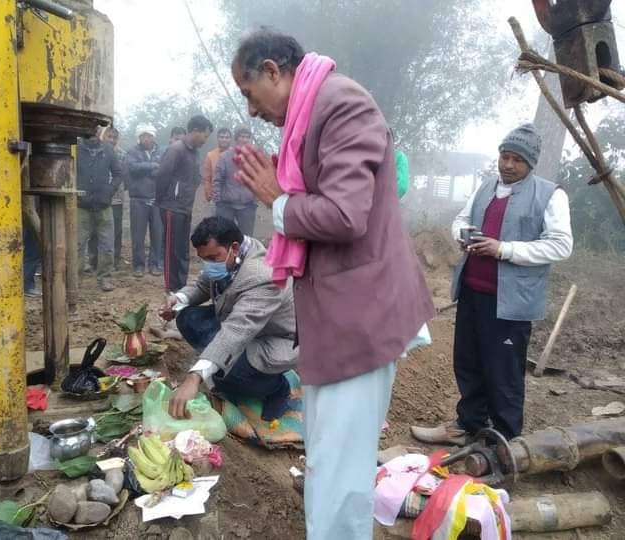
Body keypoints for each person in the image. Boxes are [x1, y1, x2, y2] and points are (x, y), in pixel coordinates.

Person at [231, 29, 434, 539]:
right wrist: (285, 188)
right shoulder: (312, 109)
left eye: (250, 94)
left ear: (273, 71)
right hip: (339, 314)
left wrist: (279, 200)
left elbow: (345, 214)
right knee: (328, 455)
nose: (251, 109)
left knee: (340, 468)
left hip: (360, 315)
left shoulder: (341, 104)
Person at [411, 124, 573, 445]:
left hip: (511, 301)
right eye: (504, 156)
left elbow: (560, 245)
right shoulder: (486, 187)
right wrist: (464, 235)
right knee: (468, 362)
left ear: (531, 163)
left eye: (517, 160)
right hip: (472, 291)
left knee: (504, 373)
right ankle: (467, 425)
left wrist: (504, 249)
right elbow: (461, 219)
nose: (508, 165)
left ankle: (503, 440)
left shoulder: (549, 195)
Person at [160, 216, 297, 421]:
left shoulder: (264, 276)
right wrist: (178, 299)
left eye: (213, 257)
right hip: (241, 324)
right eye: (204, 258)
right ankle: (216, 363)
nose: (208, 264)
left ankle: (276, 388)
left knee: (232, 372)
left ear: (234, 247)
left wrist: (194, 376)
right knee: (187, 317)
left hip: (275, 339)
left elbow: (236, 331)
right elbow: (202, 285)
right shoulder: (229, 255)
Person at [156, 115, 213, 292]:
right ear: (195, 131)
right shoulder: (176, 149)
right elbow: (162, 175)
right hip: (172, 207)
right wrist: (163, 200)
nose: (205, 140)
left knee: (182, 250)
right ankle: (171, 288)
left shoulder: (194, 152)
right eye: (205, 136)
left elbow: (194, 178)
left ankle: (181, 286)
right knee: (171, 250)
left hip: (185, 207)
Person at [76, 133, 123, 291]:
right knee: (77, 245)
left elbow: (118, 174)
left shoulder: (108, 149)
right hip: (81, 206)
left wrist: (109, 190)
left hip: (104, 205)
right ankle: (75, 280)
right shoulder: (75, 148)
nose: (93, 133)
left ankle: (105, 278)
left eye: (96, 129)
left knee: (107, 244)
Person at [125, 124, 164, 277]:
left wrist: (148, 169)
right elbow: (132, 168)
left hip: (157, 199)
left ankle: (154, 264)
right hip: (138, 199)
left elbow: (163, 169)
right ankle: (139, 265)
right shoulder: (132, 151)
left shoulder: (160, 152)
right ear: (139, 138)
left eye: (149, 136)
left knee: (157, 234)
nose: (146, 139)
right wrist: (152, 166)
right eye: (143, 136)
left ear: (154, 137)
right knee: (138, 235)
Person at [213, 126, 258, 236]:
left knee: (246, 237)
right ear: (236, 138)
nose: (245, 139)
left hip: (247, 205)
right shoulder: (225, 157)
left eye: (247, 137)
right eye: (242, 136)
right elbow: (217, 180)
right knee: (224, 236)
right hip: (226, 205)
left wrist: (255, 198)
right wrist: (218, 201)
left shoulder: (254, 158)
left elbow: (258, 180)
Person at [101, 126, 128, 270]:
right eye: (109, 136)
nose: (112, 140)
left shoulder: (122, 154)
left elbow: (123, 175)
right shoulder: (97, 151)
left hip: (117, 199)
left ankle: (115, 260)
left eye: (115, 137)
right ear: (103, 136)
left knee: (117, 230)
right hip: (100, 198)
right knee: (99, 230)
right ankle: (97, 260)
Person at [202, 127, 232, 203]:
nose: (224, 139)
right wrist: (208, 194)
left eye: (227, 137)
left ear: (230, 139)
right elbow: (207, 178)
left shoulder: (236, 154)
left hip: (233, 199)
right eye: (222, 137)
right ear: (218, 139)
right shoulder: (210, 155)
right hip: (216, 197)